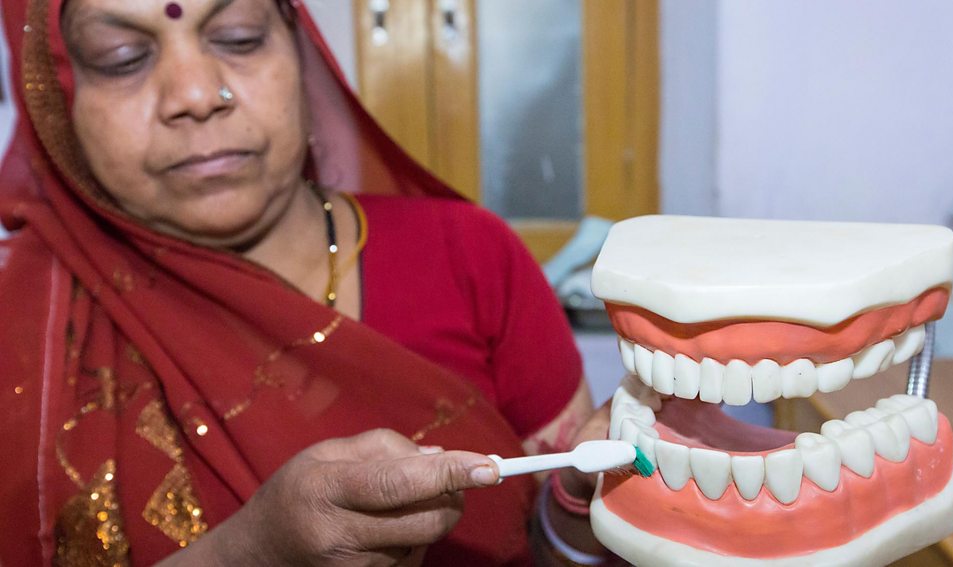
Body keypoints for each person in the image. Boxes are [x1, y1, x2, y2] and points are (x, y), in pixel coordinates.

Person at [0, 0, 615, 565]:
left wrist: (581, 504)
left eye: (239, 38)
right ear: (55, 100)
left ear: (300, 53)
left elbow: (546, 544)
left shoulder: (470, 256)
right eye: (123, 59)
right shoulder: (24, 329)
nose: (194, 93)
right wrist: (251, 554)